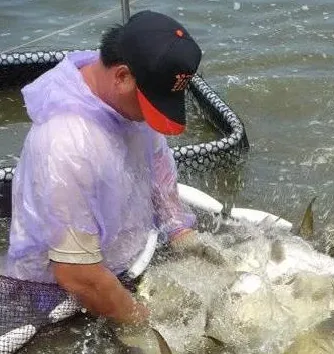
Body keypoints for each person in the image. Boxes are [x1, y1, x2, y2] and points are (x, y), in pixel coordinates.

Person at [4, 11, 206, 325]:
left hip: (128, 263)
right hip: (57, 297)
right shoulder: (66, 144)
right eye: (151, 103)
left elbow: (159, 172)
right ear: (122, 76)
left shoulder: (127, 97)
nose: (150, 116)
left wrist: (181, 232)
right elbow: (77, 276)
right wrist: (143, 323)